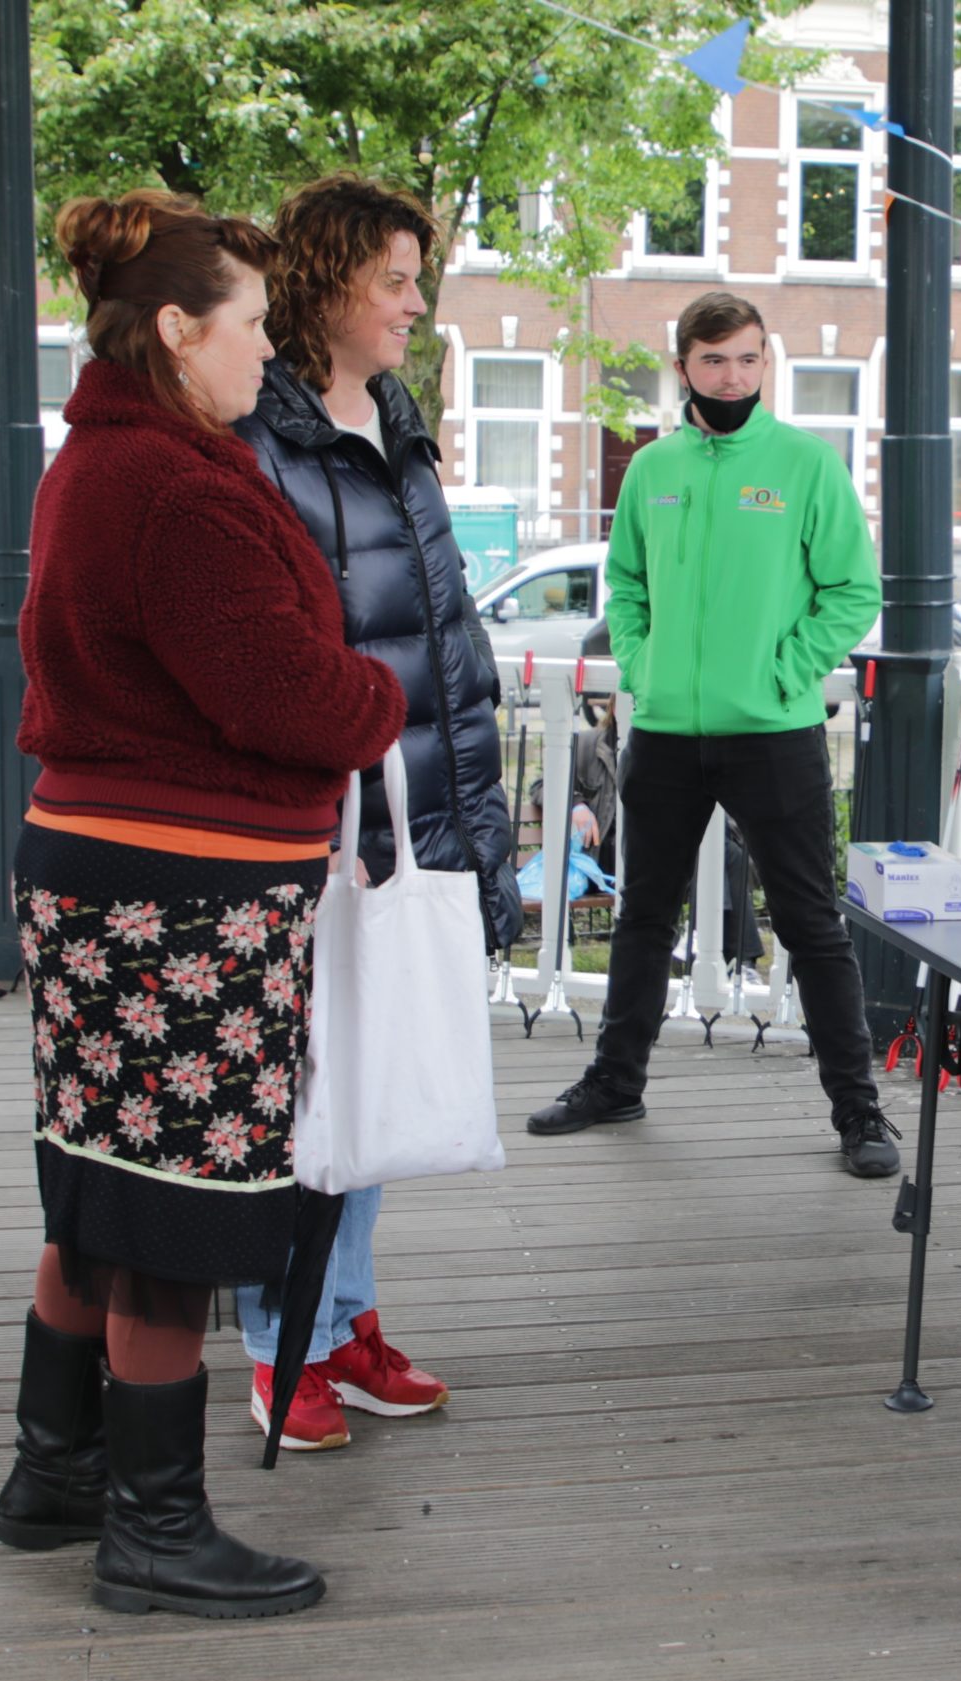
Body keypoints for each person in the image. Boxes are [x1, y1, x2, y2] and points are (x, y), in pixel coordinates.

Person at [0, 190, 406, 1616]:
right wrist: (376, 695)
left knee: (102, 1185)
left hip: (101, 874)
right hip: (182, 901)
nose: (267, 352)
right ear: (177, 329)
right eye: (249, 326)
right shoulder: (178, 488)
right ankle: (154, 1528)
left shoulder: (100, 459)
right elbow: (287, 694)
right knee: (176, 1200)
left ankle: (57, 1473)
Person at [227, 174, 515, 1451]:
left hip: (416, 806)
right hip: (320, 818)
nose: (413, 304)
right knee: (307, 1093)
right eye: (393, 280)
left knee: (379, 1074)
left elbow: (442, 635)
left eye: (417, 280)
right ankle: (274, 1345)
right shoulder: (259, 435)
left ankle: (340, 1323)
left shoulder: (399, 419)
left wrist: (480, 830)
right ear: (327, 281)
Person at [523, 291, 895, 1178]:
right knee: (643, 917)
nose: (733, 376)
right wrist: (643, 668)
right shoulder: (652, 470)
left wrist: (783, 670)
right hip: (664, 735)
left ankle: (859, 1110)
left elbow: (853, 591)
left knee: (811, 923)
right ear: (683, 365)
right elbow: (626, 586)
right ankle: (616, 1080)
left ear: (766, 362)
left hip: (775, 733)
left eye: (748, 358)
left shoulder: (805, 465)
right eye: (715, 359)